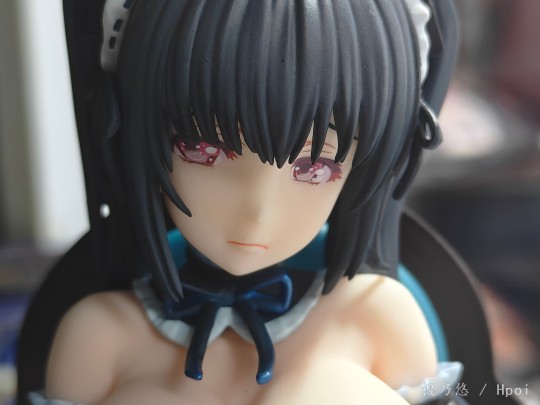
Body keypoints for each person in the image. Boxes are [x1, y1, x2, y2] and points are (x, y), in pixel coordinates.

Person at [26, 0, 463, 403]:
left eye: (313, 167)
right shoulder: (98, 335)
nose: (258, 211)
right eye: (203, 150)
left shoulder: (377, 317)